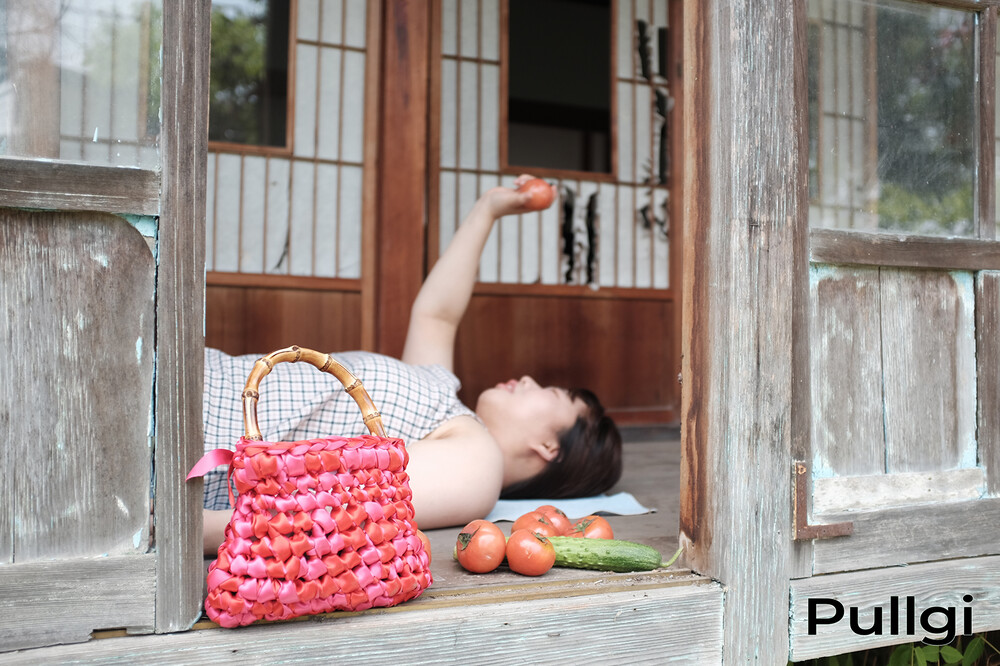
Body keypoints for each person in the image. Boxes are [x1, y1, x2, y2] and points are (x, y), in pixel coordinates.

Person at [200, 175, 622, 554]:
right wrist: (488, 210)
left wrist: (180, 527)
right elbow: (437, 315)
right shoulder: (444, 405)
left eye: (551, 392)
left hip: (196, 434)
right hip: (201, 382)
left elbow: (323, 514)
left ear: (549, 448)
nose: (528, 378)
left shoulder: (478, 467)